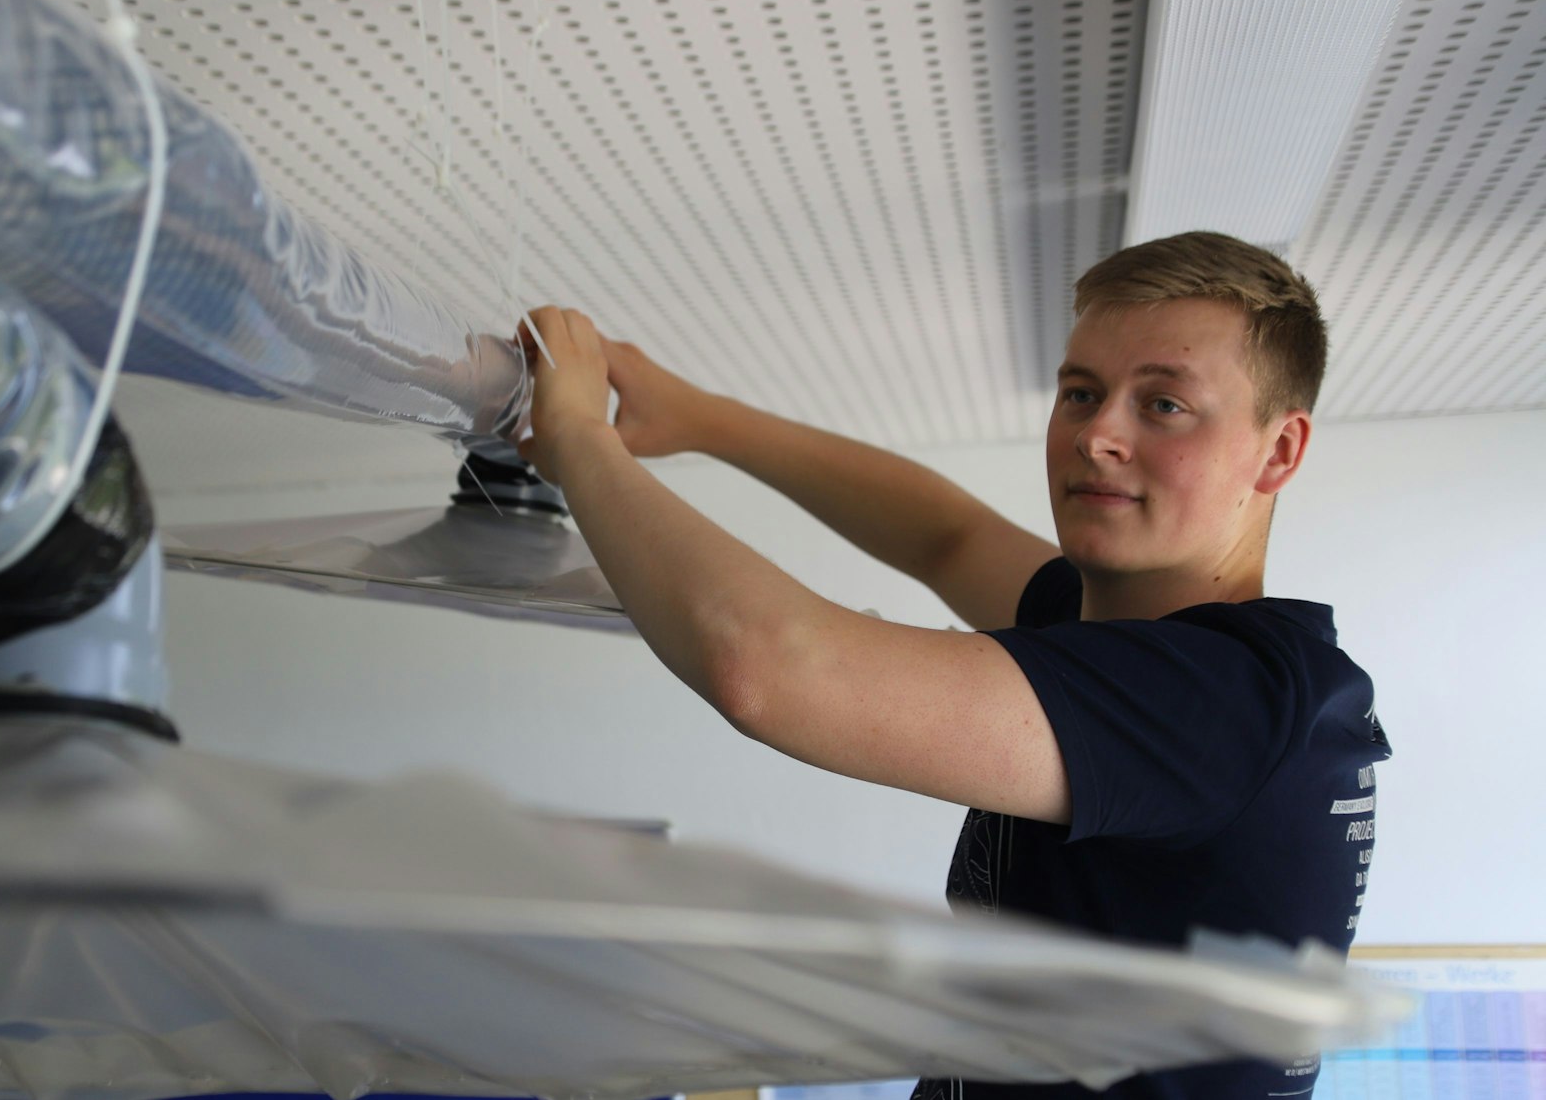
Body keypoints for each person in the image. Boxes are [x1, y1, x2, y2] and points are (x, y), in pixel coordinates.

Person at [513, 231, 1392, 1099]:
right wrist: (698, 416)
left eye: (1163, 404)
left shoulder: (1220, 697)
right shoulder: (1153, 649)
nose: (1096, 437)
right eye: (1081, 392)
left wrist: (580, 438)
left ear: (1278, 450)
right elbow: (946, 535)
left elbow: (771, 669)